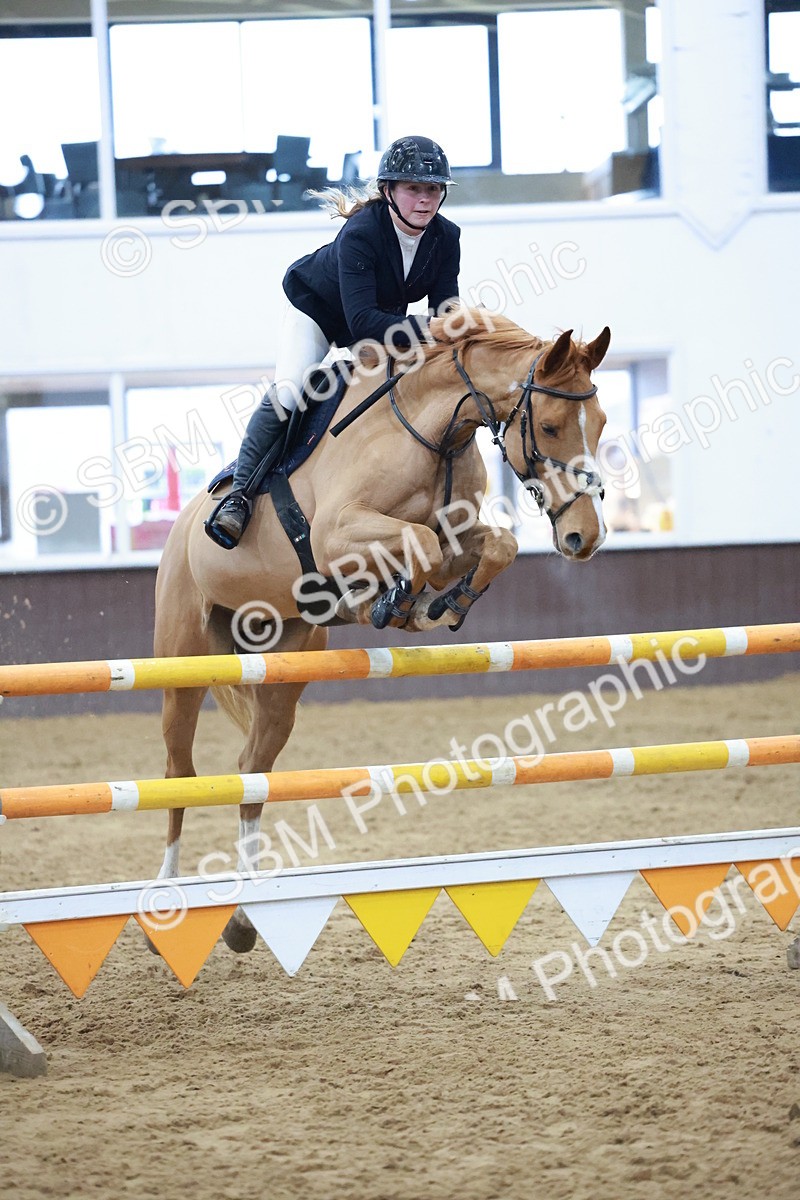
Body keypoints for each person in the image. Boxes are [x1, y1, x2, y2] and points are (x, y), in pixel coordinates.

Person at [205, 134, 460, 548]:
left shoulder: (446, 238)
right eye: (414, 188)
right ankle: (239, 495)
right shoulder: (362, 232)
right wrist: (432, 329)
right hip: (319, 313)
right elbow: (361, 323)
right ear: (388, 192)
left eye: (433, 189)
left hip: (382, 322)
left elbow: (446, 310)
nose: (425, 199)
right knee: (290, 391)